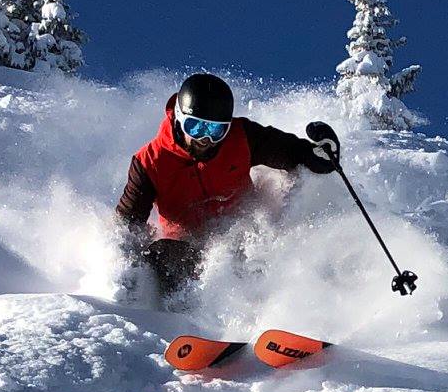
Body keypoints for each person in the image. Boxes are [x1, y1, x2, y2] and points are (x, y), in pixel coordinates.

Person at [114, 72, 340, 297]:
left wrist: (319, 157)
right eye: (196, 127)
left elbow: (291, 152)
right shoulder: (149, 162)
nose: (205, 139)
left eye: (215, 130)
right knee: (162, 254)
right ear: (179, 119)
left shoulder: (241, 137)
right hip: (188, 256)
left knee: (281, 245)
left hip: (246, 242)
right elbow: (128, 224)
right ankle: (185, 319)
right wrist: (123, 265)